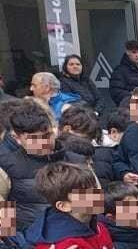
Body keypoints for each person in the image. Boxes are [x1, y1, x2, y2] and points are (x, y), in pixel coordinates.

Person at [0, 99, 87, 231]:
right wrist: (18, 246)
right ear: (16, 138)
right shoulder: (6, 164)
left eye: (47, 136)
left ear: (54, 130)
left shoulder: (77, 161)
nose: (43, 143)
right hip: (30, 240)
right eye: (34, 139)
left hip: (75, 236)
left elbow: (93, 207)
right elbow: (4, 218)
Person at [109, 40, 138, 106]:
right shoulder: (120, 71)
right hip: (130, 109)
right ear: (128, 52)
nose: (137, 55)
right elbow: (116, 92)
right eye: (134, 52)